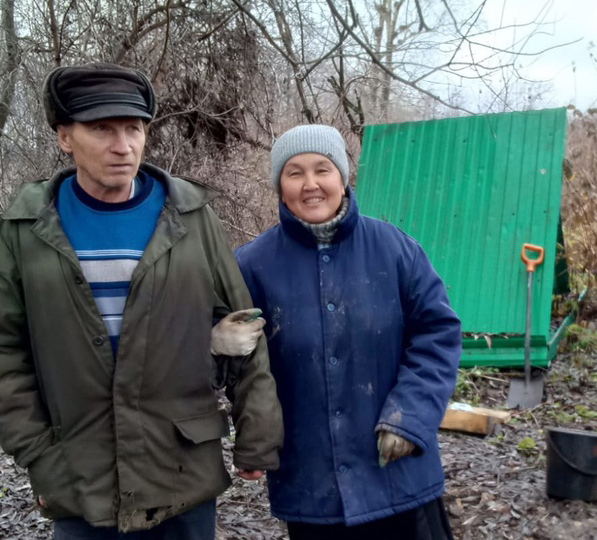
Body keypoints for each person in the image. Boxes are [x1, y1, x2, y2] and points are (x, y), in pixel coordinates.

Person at [0, 63, 284, 539]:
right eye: (102, 129)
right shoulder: (26, 230)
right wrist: (38, 455)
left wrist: (257, 435)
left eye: (134, 128)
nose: (123, 145)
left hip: (181, 471)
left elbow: (244, 326)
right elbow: (6, 354)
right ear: (65, 137)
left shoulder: (189, 217)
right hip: (80, 478)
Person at [235, 125, 462, 540]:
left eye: (322, 169)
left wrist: (409, 419)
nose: (310, 184)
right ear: (279, 186)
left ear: (342, 177)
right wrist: (254, 438)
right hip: (311, 487)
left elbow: (437, 336)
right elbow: (245, 369)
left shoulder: (396, 250)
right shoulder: (251, 266)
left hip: (398, 475)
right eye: (294, 173)